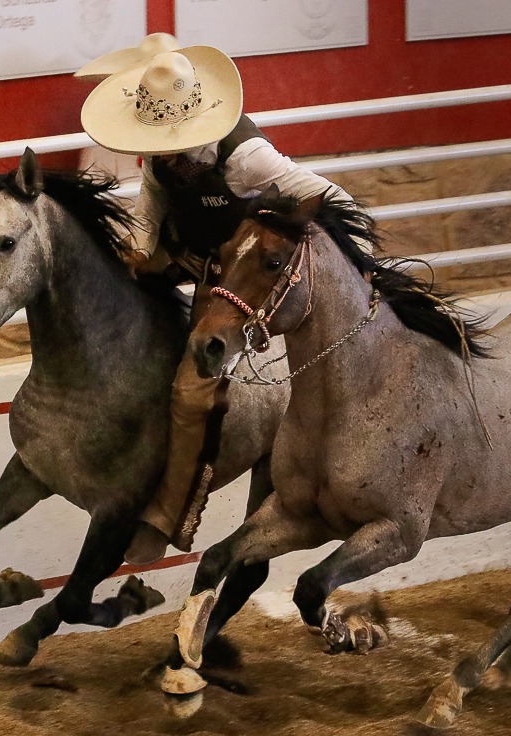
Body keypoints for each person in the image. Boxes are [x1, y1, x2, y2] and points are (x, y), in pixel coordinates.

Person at [80, 45, 356, 564]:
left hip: (239, 279)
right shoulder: (163, 164)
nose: (159, 153)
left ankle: (166, 517)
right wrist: (135, 252)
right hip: (190, 259)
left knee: (190, 392)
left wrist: (328, 258)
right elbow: (150, 210)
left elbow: (329, 196)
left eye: (166, 143)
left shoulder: (247, 158)